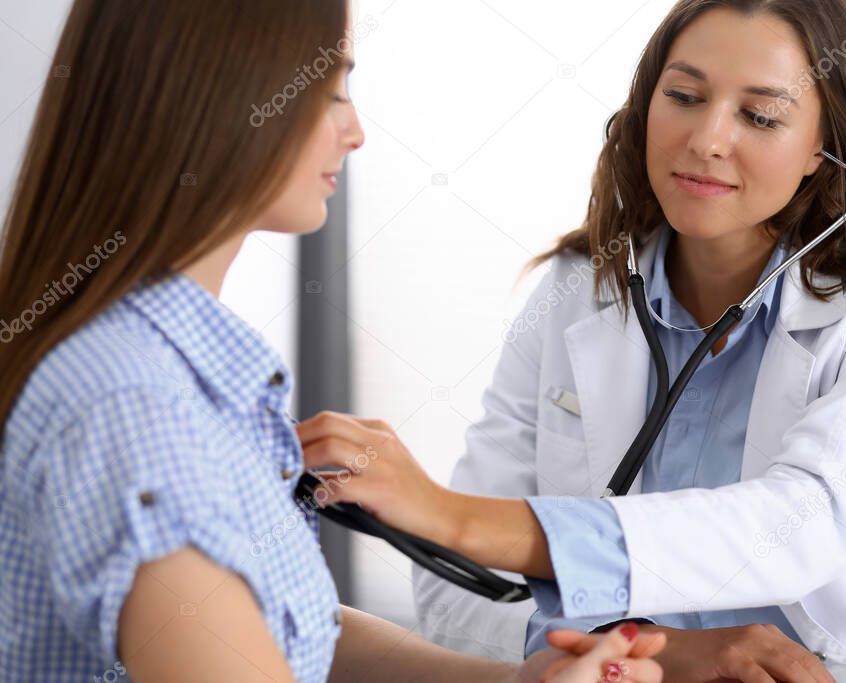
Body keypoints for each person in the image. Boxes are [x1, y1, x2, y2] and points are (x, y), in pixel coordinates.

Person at [299, 0, 846, 679]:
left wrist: (450, 515)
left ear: (822, 149)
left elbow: (805, 519)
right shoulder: (572, 291)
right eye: (683, 97)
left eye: (761, 116)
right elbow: (455, 592)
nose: (707, 140)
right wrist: (660, 653)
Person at [0, 1, 668, 681]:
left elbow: (285, 626)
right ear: (219, 98)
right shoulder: (133, 407)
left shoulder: (188, 376)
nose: (355, 133)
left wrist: (517, 679)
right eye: (331, 91)